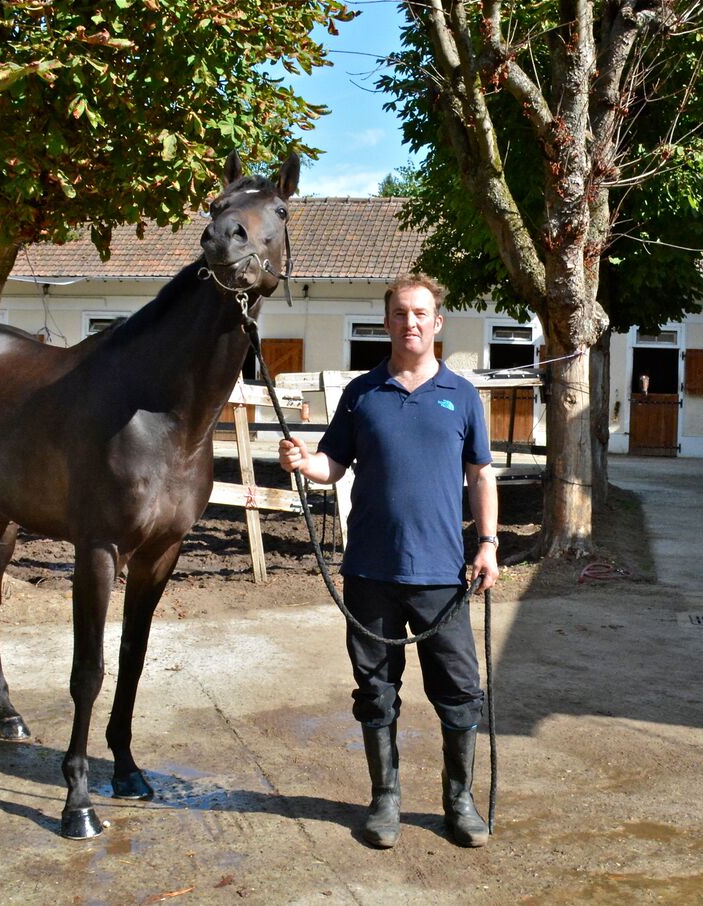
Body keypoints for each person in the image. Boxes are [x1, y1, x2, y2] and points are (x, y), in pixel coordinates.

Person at [279, 273, 499, 849]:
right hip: (370, 573)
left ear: (438, 321)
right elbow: (333, 463)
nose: (411, 323)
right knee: (375, 689)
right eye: (401, 313)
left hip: (442, 576)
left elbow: (480, 474)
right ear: (387, 322)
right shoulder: (362, 394)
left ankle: (460, 801)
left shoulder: (463, 395)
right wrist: (305, 463)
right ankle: (385, 800)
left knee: (459, 689)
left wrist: (489, 543)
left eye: (421, 313)